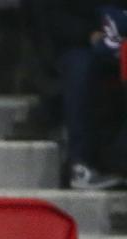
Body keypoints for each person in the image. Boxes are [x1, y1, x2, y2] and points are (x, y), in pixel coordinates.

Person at [40, 1, 127, 189]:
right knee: (81, 66)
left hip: (120, 40)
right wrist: (89, 34)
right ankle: (80, 165)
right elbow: (51, 18)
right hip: (81, 43)